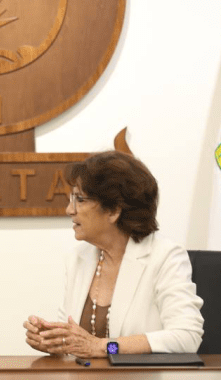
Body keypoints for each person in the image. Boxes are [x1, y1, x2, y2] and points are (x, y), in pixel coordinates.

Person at [24, 151, 203, 357]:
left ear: (113, 211)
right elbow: (76, 343)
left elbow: (188, 336)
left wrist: (104, 347)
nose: (69, 210)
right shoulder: (78, 258)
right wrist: (54, 341)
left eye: (80, 200)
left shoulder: (165, 257)